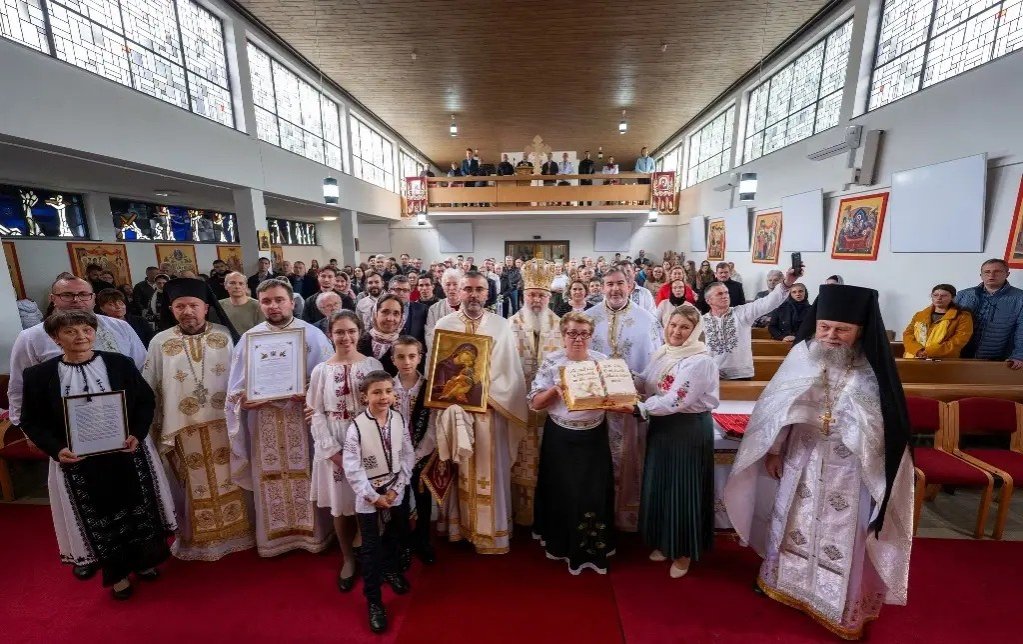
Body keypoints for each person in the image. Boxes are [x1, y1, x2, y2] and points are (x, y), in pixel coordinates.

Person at [724, 284, 913, 640]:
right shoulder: (803, 355)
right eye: (824, 327)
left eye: (842, 329)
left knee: (845, 534)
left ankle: (839, 606)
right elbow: (777, 409)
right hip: (802, 458)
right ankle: (782, 583)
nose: (831, 336)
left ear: (860, 330)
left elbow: (887, 425)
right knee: (792, 519)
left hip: (851, 471)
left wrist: (860, 436)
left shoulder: (872, 369)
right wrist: (776, 450)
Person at [19, 310, 176, 599]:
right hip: (79, 461)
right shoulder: (39, 375)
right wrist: (56, 449)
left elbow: (145, 401)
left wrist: (137, 433)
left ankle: (143, 562)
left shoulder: (119, 363)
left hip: (124, 451)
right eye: (70, 332)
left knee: (136, 507)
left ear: (94, 332)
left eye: (86, 330)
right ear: (56, 338)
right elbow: (32, 420)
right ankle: (117, 574)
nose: (81, 336)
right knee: (102, 515)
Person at [142, 278, 254, 561]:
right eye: (180, 306)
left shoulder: (226, 335)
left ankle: (240, 533)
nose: (187, 311)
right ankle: (199, 541)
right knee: (194, 483)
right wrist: (152, 426)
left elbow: (244, 377)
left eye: (193, 305)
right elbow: (149, 385)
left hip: (225, 424)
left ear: (206, 307)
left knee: (231, 477)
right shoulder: (160, 341)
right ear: (171, 309)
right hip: (182, 428)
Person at [226, 279, 335, 556]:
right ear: (259, 303)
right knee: (269, 477)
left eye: (279, 300)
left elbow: (329, 383)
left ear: (291, 302)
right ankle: (274, 540)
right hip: (264, 424)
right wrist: (244, 401)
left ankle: (314, 536)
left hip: (303, 421)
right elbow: (235, 389)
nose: (273, 306)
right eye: (266, 301)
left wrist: (309, 392)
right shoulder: (249, 339)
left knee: (307, 472)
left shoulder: (313, 336)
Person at [9, 276, 148, 474]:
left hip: (125, 428)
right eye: (67, 294)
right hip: (67, 434)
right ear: (53, 298)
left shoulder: (120, 327)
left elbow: (143, 369)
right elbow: (18, 388)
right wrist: (29, 432)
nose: (76, 300)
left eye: (83, 294)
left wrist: (142, 425)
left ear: (93, 298)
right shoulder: (31, 336)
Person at [432, 271, 528, 553]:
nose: (473, 295)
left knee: (491, 472)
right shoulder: (444, 323)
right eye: (467, 289)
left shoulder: (500, 326)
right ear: (458, 292)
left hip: (490, 412)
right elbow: (437, 371)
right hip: (456, 413)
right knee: (458, 467)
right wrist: (450, 395)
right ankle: (459, 528)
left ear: (488, 294)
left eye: (479, 289)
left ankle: (490, 532)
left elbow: (511, 373)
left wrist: (488, 398)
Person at [627, 304, 720, 577]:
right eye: (673, 325)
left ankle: (684, 552)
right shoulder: (664, 352)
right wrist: (620, 376)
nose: (676, 331)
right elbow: (647, 381)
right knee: (664, 485)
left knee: (682, 487)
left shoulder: (700, 361)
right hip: (663, 428)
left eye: (684, 327)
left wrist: (637, 408)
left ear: (695, 332)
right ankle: (667, 543)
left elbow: (675, 400)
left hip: (687, 430)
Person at [526, 312, 622, 574]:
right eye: (572, 333)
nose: (577, 339)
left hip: (594, 438)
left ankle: (591, 548)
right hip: (560, 437)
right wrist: (556, 390)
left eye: (583, 333)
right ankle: (561, 545)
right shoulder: (552, 362)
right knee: (562, 492)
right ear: (563, 335)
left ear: (591, 336)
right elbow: (534, 404)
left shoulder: (603, 362)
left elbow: (621, 403)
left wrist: (615, 398)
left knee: (592, 495)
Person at [307, 311, 384, 593]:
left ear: (360, 332)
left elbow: (383, 404)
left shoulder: (372, 364)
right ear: (330, 334)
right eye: (339, 332)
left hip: (368, 440)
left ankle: (369, 552)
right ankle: (348, 558)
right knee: (341, 507)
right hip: (334, 442)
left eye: (351, 331)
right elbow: (315, 412)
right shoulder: (320, 370)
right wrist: (332, 451)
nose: (345, 337)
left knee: (368, 502)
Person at [585, 267, 663, 531]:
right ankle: (599, 514)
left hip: (632, 404)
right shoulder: (588, 318)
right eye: (609, 284)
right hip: (597, 407)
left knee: (632, 457)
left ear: (630, 285)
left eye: (620, 283)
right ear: (601, 287)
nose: (615, 289)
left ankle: (630, 518)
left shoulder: (648, 320)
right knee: (598, 460)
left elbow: (656, 364)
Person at [342, 371, 414, 633]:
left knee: (397, 534)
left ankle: (391, 569)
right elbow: (352, 468)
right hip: (369, 493)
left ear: (394, 394)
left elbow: (407, 455)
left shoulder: (398, 419)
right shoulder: (357, 427)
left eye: (387, 391)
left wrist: (396, 489)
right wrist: (374, 496)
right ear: (365, 397)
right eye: (376, 392)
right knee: (371, 547)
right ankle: (374, 601)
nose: (383, 397)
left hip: (395, 489)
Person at [507, 260, 563, 525]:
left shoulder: (562, 326)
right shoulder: (509, 325)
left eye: (541, 295)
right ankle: (521, 515)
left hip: (551, 409)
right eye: (531, 294)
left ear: (549, 297)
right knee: (520, 458)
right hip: (517, 405)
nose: (536, 300)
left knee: (549, 461)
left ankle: (547, 514)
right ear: (524, 295)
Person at [703, 268, 798, 380]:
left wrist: (787, 283)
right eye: (719, 294)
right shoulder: (702, 321)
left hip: (740, 375)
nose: (725, 296)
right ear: (708, 300)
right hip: (713, 375)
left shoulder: (742, 312)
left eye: (726, 293)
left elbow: (768, 302)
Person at [391, 336, 437, 566]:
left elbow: (433, 427)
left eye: (412, 356)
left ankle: (423, 539)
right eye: (401, 356)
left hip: (422, 453)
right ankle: (402, 543)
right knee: (398, 500)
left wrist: (417, 454)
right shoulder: (387, 388)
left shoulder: (429, 388)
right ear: (393, 359)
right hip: (395, 456)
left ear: (420, 358)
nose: (407, 361)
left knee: (422, 498)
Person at [954, 258, 1023, 367]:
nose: (991, 275)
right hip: (959, 356)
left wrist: (1019, 356)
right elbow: (946, 323)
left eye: (997, 271)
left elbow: (1021, 330)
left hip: (999, 359)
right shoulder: (963, 295)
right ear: (981, 275)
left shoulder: (1019, 298)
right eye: (987, 272)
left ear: (1007, 274)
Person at [903, 284, 973, 359]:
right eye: (935, 295)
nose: (939, 298)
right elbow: (908, 334)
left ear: (952, 298)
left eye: (944, 295)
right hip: (913, 356)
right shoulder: (920, 315)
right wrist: (918, 350)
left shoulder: (962, 316)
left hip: (944, 360)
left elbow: (958, 341)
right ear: (932, 297)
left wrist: (929, 352)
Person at [358, 295, 403, 375]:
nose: (390, 318)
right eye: (385, 312)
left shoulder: (406, 346)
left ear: (401, 317)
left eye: (396, 313)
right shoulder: (359, 342)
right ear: (375, 314)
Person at [425, 267, 462, 352]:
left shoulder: (469, 307)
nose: (451, 288)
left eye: (455, 284)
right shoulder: (434, 309)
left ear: (461, 286)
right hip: (441, 353)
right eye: (448, 284)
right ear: (443, 287)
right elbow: (430, 335)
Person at [388, 275, 428, 345]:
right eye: (397, 289)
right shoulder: (382, 310)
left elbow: (425, 336)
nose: (401, 293)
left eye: (405, 290)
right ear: (389, 291)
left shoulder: (422, 309)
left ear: (410, 292)